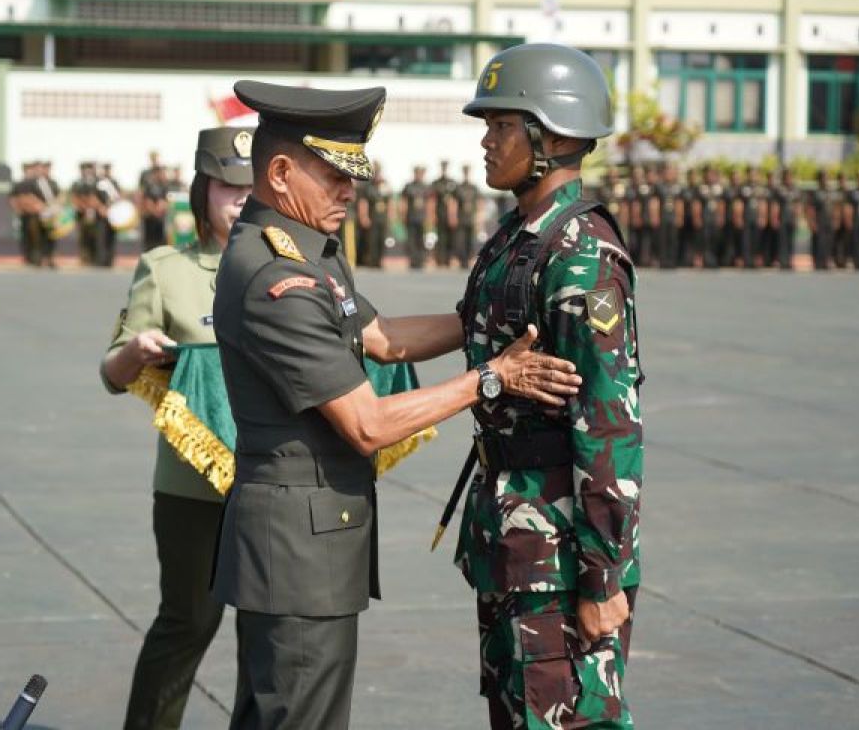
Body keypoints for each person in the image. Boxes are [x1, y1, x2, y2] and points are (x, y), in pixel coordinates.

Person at [212, 79, 582, 730]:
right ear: (279, 172)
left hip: (303, 548)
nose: (351, 192)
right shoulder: (278, 276)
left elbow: (381, 340)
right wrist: (492, 378)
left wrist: (486, 316)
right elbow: (368, 423)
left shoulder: (307, 250)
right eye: (334, 175)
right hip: (296, 557)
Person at [456, 43, 644, 730]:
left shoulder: (582, 255)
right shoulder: (515, 239)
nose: (486, 139)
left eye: (502, 125)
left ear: (555, 136)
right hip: (510, 540)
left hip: (563, 556)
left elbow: (610, 424)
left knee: (570, 721)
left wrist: (602, 578)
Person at [100, 126, 254, 730]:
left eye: (250, 187)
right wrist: (136, 350)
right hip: (194, 487)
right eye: (226, 186)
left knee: (269, 636)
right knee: (188, 622)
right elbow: (112, 372)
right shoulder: (165, 271)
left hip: (277, 484)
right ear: (203, 191)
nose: (240, 200)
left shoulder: (302, 268)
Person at [354, 160, 392, 268]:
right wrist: (364, 216)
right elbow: (363, 202)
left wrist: (389, 216)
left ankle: (379, 261)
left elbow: (389, 202)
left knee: (381, 240)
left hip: (382, 218)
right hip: (373, 217)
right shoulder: (368, 185)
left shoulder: (385, 185)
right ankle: (372, 261)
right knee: (372, 241)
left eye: (379, 170)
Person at [138, 152, 170, 252]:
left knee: (160, 240)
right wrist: (153, 210)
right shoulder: (148, 182)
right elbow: (144, 198)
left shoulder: (164, 185)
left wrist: (162, 207)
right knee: (149, 240)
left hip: (160, 216)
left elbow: (166, 199)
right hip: (150, 215)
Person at [431, 159, 459, 268]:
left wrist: (454, 216)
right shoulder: (436, 183)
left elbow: (455, 201)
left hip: (450, 216)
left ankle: (448, 260)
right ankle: (440, 260)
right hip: (439, 214)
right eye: (442, 167)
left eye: (445, 167)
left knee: (450, 238)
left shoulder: (452, 183)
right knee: (440, 238)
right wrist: (432, 215)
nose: (444, 170)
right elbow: (432, 200)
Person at [402, 165, 430, 269]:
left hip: (422, 217)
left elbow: (429, 203)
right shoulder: (409, 186)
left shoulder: (426, 187)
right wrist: (403, 215)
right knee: (411, 240)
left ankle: (420, 260)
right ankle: (413, 260)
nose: (419, 175)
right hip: (411, 217)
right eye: (417, 173)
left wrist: (429, 216)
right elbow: (404, 202)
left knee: (420, 240)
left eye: (421, 173)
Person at [455, 163, 482, 266]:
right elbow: (453, 204)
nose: (466, 174)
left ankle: (468, 260)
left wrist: (479, 217)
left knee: (470, 241)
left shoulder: (474, 188)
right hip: (461, 218)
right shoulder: (458, 187)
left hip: (471, 218)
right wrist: (453, 217)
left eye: (467, 172)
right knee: (461, 241)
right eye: (464, 172)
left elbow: (479, 203)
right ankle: (462, 260)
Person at [807, 169, 833, 271]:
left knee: (828, 242)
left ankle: (826, 261)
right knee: (818, 242)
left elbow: (834, 207)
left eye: (826, 177)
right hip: (819, 221)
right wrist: (812, 222)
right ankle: (817, 262)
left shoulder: (830, 192)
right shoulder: (815, 193)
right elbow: (810, 209)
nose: (825, 180)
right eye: (823, 177)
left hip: (828, 221)